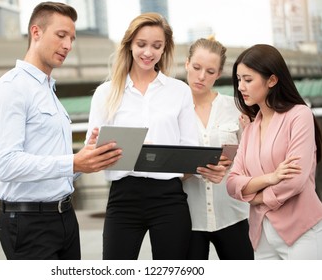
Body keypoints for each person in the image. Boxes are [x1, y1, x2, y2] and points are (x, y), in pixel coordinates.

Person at [0, 2, 122, 260]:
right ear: (36, 32)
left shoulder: (49, 92)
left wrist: (85, 160)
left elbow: (55, 163)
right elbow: (7, 165)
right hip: (28, 224)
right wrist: (73, 161)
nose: (68, 45)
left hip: (65, 218)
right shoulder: (10, 90)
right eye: (61, 35)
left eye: (72, 38)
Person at [85, 13, 225, 260]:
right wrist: (97, 148)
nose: (148, 52)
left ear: (164, 49)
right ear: (129, 44)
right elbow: (91, 156)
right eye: (141, 44)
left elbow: (189, 152)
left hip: (169, 199)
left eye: (156, 46)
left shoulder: (179, 91)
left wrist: (164, 160)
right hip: (123, 197)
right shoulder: (105, 93)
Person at [227, 44, 322, 260]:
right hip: (262, 236)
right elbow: (232, 183)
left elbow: (294, 180)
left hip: (302, 232)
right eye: (239, 79)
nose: (241, 87)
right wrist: (271, 177)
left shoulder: (299, 116)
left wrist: (255, 198)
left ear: (272, 80)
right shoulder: (250, 128)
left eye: (248, 80)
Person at [182, 37, 254, 260]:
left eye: (210, 71)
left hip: (233, 215)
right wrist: (194, 168)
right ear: (186, 64)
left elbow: (253, 160)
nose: (202, 76)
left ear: (219, 73)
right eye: (196, 67)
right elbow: (161, 166)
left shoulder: (236, 107)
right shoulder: (171, 112)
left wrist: (236, 159)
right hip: (189, 220)